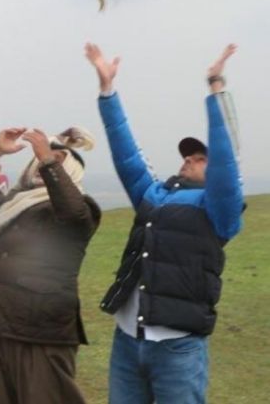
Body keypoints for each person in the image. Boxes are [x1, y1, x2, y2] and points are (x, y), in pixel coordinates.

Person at [84, 43, 244, 404]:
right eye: (187, 155)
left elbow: (228, 163)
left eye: (200, 157)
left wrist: (216, 87)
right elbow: (126, 154)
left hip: (177, 350)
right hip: (126, 341)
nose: (189, 159)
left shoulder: (218, 208)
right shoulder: (154, 194)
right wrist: (108, 91)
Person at [0, 126, 101, 404]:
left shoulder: (81, 211)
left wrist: (48, 159)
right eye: (40, 159)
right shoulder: (12, 204)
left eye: (57, 161)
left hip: (39, 331)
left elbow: (70, 209)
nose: (42, 163)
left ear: (69, 173)